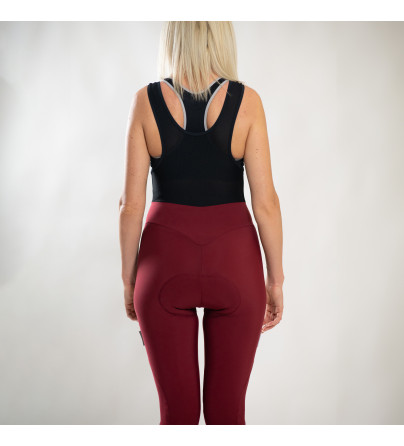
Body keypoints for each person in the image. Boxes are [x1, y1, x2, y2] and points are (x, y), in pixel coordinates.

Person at [118, 21, 284, 425]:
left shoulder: (145, 101)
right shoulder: (248, 102)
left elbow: (130, 206)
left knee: (177, 417)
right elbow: (266, 204)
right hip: (235, 265)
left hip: (163, 267)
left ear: (172, 38)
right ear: (220, 37)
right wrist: (275, 280)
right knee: (228, 416)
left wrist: (129, 280)